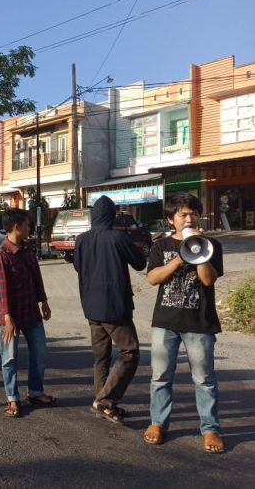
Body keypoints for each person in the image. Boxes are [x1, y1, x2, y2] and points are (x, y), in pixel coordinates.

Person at [143, 193, 225, 454]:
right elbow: (153, 279)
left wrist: (197, 248)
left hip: (199, 323)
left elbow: (209, 280)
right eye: (183, 215)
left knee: (204, 379)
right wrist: (180, 256)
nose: (189, 218)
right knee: (160, 376)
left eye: (193, 213)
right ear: (171, 220)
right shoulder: (160, 246)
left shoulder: (210, 245)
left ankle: (210, 427)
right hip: (165, 321)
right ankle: (158, 422)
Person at [73, 195, 146, 424]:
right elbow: (139, 263)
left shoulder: (81, 239)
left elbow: (77, 266)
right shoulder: (117, 237)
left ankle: (103, 401)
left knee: (101, 357)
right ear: (112, 215)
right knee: (130, 352)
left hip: (91, 306)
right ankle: (105, 400)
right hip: (115, 306)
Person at [0, 208, 54, 417]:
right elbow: (2, 291)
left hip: (32, 313)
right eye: (27, 224)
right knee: (9, 358)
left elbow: (37, 276)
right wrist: (8, 319)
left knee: (40, 354)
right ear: (17, 227)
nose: (30, 227)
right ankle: (12, 398)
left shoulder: (27, 249)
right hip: (11, 317)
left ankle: (35, 391)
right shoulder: (1, 255)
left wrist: (43, 301)